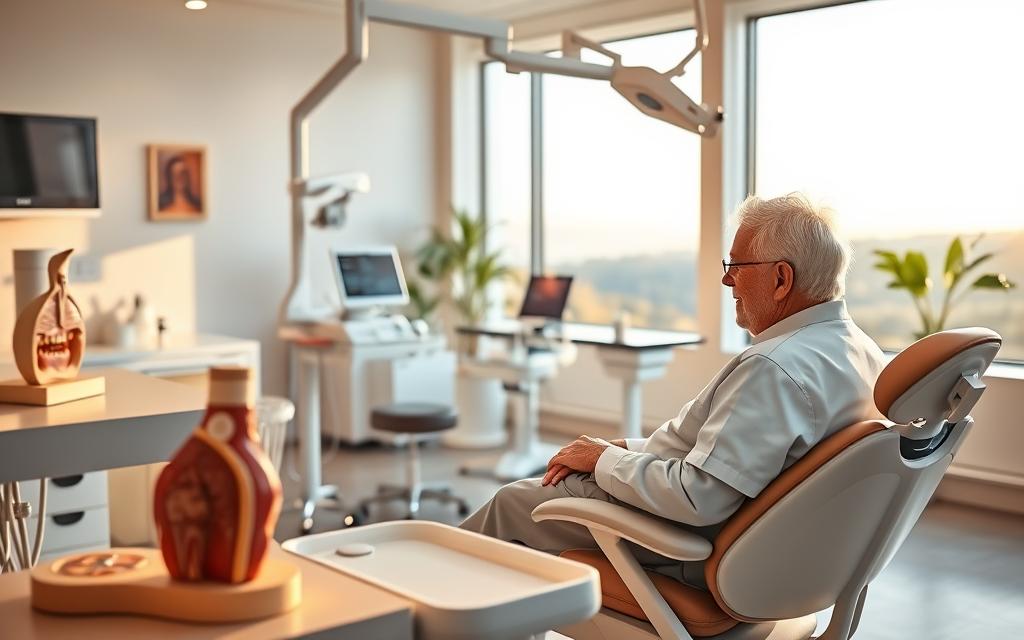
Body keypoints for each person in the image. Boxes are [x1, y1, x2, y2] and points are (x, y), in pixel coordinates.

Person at [460, 193, 886, 586]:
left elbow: (698, 497)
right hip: (786, 553)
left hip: (684, 543)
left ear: (780, 278)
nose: (727, 282)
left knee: (514, 502)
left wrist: (605, 459)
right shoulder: (861, 352)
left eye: (736, 267)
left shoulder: (774, 368)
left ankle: (417, 608)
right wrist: (619, 449)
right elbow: (723, 458)